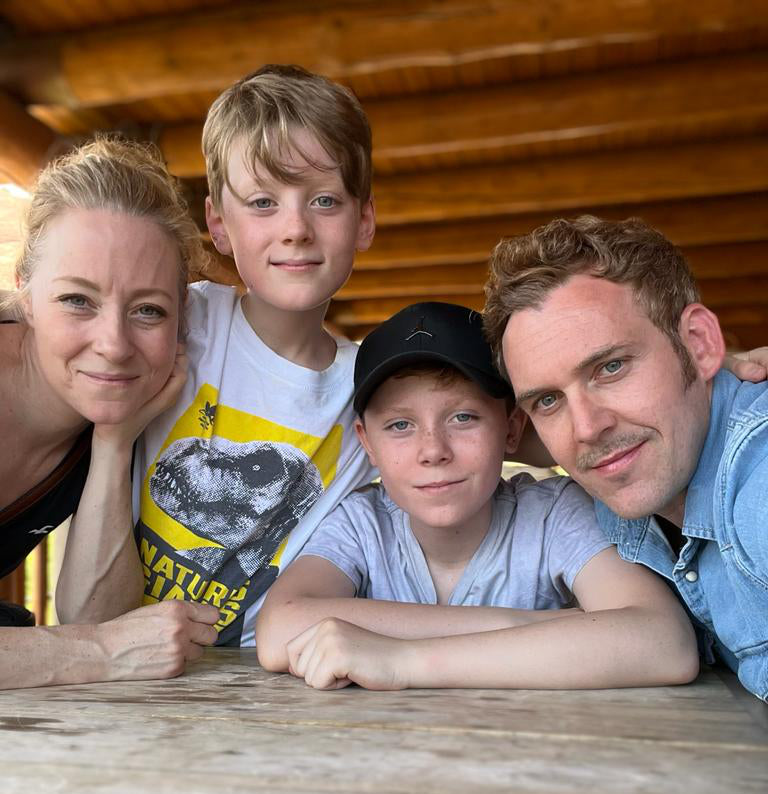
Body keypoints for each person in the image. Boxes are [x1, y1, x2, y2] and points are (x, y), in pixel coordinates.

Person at [255, 301, 699, 691]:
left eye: (463, 417)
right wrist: (548, 627)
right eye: (400, 425)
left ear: (510, 428)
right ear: (367, 443)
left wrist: (400, 659)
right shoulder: (362, 522)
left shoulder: (553, 513)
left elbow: (666, 642)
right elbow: (277, 631)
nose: (433, 451)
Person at [128, 64, 376, 646]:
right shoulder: (183, 323)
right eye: (263, 202)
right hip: (117, 667)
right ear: (218, 222)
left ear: (363, 220)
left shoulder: (375, 384)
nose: (295, 228)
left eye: (323, 201)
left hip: (262, 689)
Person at [482, 215, 768, 700]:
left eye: (611, 367)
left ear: (699, 345)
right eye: (548, 400)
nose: (588, 429)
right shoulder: (636, 476)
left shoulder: (756, 488)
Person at [0, 137, 219, 689]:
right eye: (78, 300)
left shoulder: (124, 415)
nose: (115, 345)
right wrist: (98, 653)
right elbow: (105, 642)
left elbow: (94, 617)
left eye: (148, 310)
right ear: (25, 292)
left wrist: (114, 441)